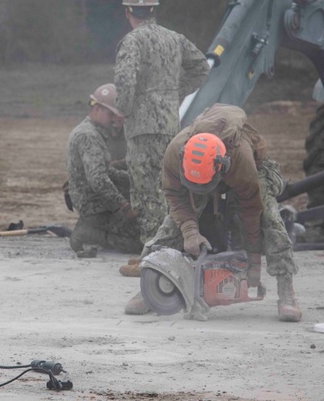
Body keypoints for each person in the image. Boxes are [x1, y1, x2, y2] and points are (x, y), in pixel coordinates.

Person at [123, 103, 302, 322]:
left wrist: (253, 260)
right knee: (172, 224)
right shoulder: (175, 150)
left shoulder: (241, 159)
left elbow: (251, 211)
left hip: (250, 171)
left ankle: (286, 291)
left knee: (271, 219)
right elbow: (176, 197)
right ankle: (153, 283)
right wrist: (190, 232)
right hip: (202, 173)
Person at [114, 0, 209, 246]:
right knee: (170, 189)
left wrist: (125, 109)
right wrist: (175, 94)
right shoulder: (175, 38)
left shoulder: (131, 42)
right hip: (170, 126)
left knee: (146, 193)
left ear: (128, 12)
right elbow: (202, 67)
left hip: (141, 129)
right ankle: (172, 248)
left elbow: (125, 81)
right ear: (154, 10)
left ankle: (151, 254)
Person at [65, 83, 142, 255]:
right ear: (97, 108)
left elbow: (107, 172)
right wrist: (124, 207)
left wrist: (133, 178)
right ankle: (90, 233)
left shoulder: (94, 131)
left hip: (98, 204)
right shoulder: (88, 136)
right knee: (140, 242)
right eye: (111, 115)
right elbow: (98, 180)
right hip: (97, 208)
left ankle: (93, 228)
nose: (115, 121)